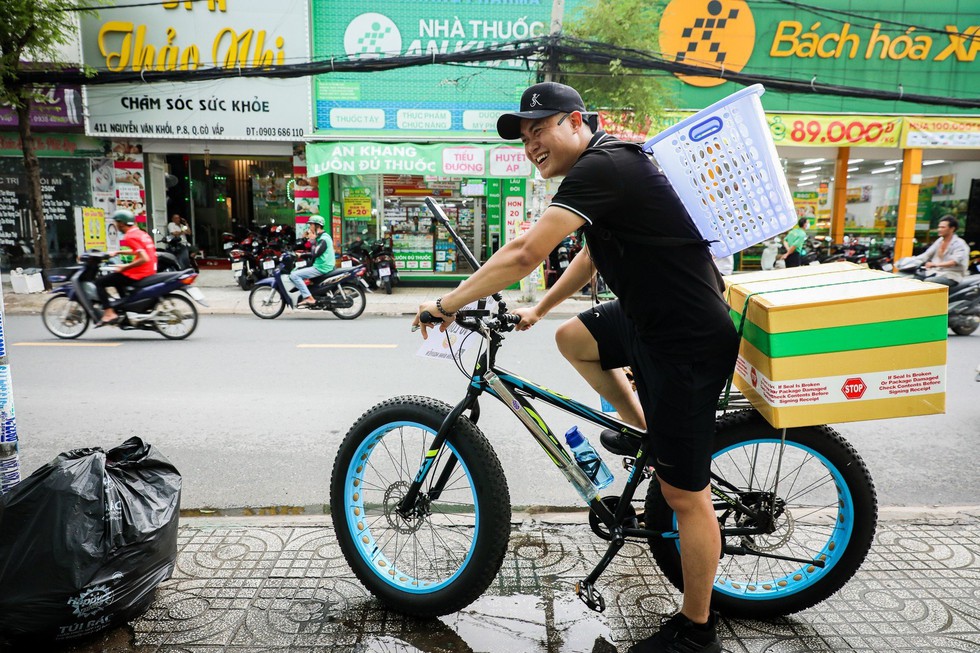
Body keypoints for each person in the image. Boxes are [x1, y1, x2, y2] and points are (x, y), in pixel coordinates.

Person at [412, 82, 738, 653]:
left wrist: (446, 304)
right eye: (525, 136)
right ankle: (644, 429)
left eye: (540, 129)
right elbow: (591, 252)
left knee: (686, 496)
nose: (531, 144)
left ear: (576, 122)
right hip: (647, 321)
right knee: (574, 338)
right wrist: (539, 308)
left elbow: (523, 253)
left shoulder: (603, 166)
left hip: (685, 340)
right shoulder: (602, 170)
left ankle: (697, 629)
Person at [94, 210, 158, 326]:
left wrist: (124, 267)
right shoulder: (141, 233)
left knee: (100, 282)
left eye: (116, 223)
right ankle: (126, 313)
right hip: (149, 270)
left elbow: (144, 258)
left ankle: (109, 313)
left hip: (139, 272)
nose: (116, 226)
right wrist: (118, 252)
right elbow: (139, 251)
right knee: (117, 279)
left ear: (121, 223)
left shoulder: (129, 236)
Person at [911, 215, 969, 287]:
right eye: (939, 227)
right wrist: (911, 260)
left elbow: (954, 262)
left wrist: (934, 264)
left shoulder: (959, 244)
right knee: (915, 279)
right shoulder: (939, 241)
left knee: (928, 282)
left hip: (951, 275)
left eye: (942, 227)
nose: (939, 229)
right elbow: (927, 254)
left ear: (952, 229)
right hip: (936, 272)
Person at [290, 215, 334, 306]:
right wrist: (305, 242)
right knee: (298, 270)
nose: (309, 227)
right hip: (320, 265)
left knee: (294, 275)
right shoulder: (320, 237)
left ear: (317, 226)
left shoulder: (324, 239)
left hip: (321, 267)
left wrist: (312, 240)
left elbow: (315, 253)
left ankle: (309, 298)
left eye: (311, 225)